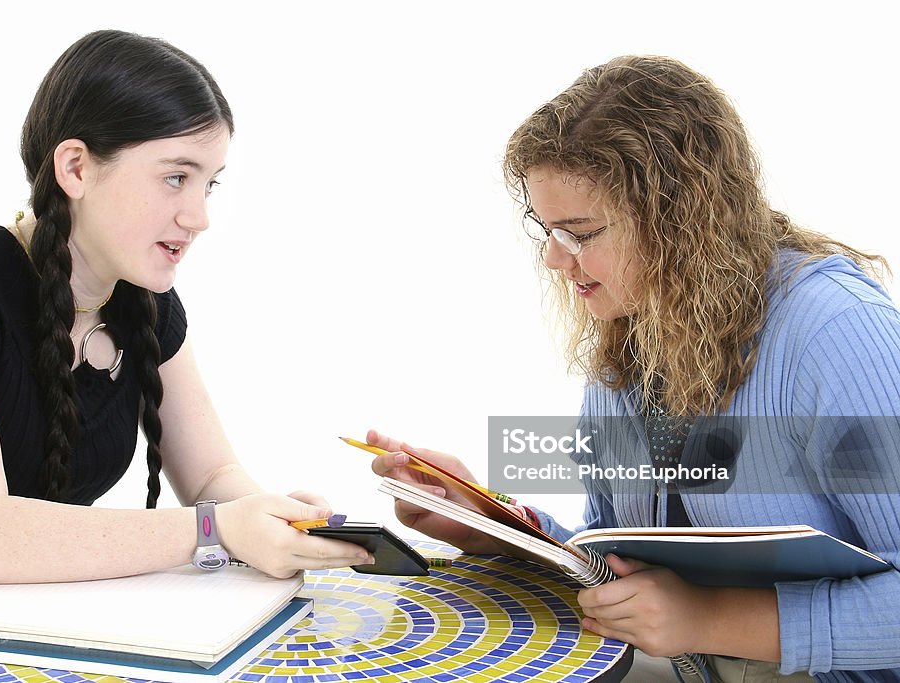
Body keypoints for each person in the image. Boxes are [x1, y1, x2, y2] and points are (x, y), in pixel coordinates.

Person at [370, 55, 900, 682]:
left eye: (581, 232)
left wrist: (709, 618)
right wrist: (493, 523)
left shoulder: (836, 331)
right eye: (546, 230)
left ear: (681, 223)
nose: (554, 259)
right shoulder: (633, 333)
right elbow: (617, 559)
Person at [0, 29, 373, 674]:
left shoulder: (147, 307)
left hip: (35, 644)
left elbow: (214, 480)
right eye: (175, 178)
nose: (198, 216)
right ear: (75, 167)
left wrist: (274, 522)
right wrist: (214, 532)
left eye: (210, 184)